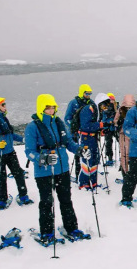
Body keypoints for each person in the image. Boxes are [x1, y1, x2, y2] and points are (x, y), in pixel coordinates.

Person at [24, 94, 91, 244]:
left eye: (53, 107)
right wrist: (44, 159)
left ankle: (71, 227)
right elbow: (29, 151)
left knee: (66, 200)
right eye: (48, 107)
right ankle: (47, 233)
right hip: (44, 172)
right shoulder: (33, 127)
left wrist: (80, 150)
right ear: (42, 108)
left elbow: (69, 143)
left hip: (63, 169)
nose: (51, 110)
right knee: (47, 202)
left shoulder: (59, 123)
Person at [0, 97, 34, 211]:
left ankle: (23, 196)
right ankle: (2, 199)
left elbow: (10, 134)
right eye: (2, 105)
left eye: (5, 104)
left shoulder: (3, 118)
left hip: (10, 152)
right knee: (1, 177)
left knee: (18, 173)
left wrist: (24, 139)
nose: (5, 106)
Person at [64, 84, 93, 182]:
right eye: (87, 93)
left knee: (88, 153)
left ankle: (88, 175)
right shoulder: (74, 103)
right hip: (76, 134)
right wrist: (74, 127)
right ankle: (78, 175)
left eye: (90, 93)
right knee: (78, 154)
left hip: (87, 134)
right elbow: (67, 118)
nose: (88, 95)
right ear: (82, 93)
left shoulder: (91, 103)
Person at [77, 92, 105, 190]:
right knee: (87, 160)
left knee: (94, 160)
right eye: (104, 105)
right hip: (86, 138)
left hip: (93, 137)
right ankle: (83, 183)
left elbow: (94, 124)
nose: (104, 108)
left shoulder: (97, 111)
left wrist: (101, 129)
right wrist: (100, 125)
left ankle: (93, 182)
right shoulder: (88, 109)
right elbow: (85, 126)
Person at [114, 94, 135, 175]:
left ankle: (126, 172)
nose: (128, 109)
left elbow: (115, 121)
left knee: (124, 154)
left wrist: (118, 123)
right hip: (128, 134)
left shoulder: (120, 110)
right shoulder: (135, 110)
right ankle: (128, 172)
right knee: (128, 154)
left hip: (125, 134)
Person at [101, 93, 117, 166]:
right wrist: (109, 121)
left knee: (113, 143)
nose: (111, 101)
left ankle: (111, 159)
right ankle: (110, 158)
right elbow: (103, 119)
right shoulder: (104, 108)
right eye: (110, 99)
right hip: (108, 128)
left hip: (115, 128)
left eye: (112, 99)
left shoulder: (117, 107)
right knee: (108, 144)